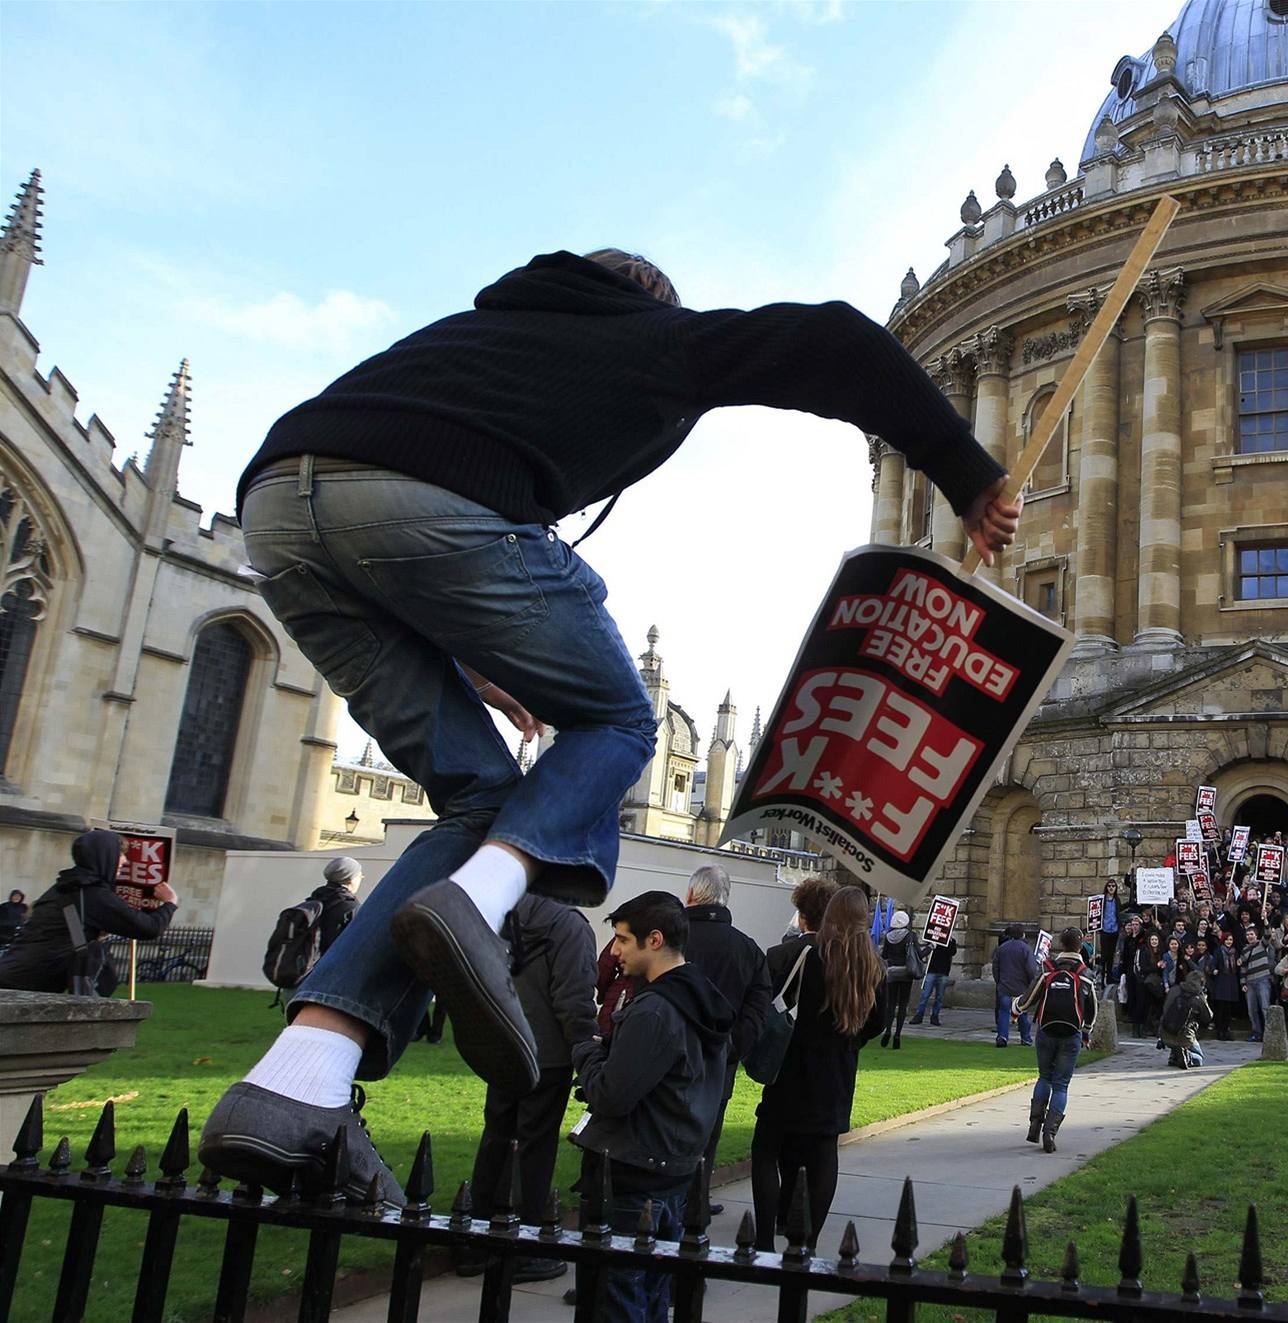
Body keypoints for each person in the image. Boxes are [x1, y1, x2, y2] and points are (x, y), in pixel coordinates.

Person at [198, 247, 1019, 1201]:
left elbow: (365, 497)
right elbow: (836, 338)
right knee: (622, 721)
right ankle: (476, 903)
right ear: (648, 301)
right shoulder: (650, 336)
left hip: (277, 509)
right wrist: (965, 472)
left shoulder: (478, 331)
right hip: (431, 505)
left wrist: (473, 660)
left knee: (481, 800)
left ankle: (299, 1076)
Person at [570, 890, 735, 1321]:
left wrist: (587, 1051)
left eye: (624, 939)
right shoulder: (700, 997)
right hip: (672, 1168)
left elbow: (611, 1094)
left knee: (617, 1300)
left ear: (655, 940)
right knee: (651, 1295)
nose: (615, 950)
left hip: (635, 1172)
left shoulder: (657, 1010)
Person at [457, 893, 598, 1283]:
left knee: (497, 1137)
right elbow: (574, 1000)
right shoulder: (568, 925)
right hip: (545, 1053)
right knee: (534, 1147)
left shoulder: (501, 912)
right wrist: (586, 1054)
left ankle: (475, 1240)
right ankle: (524, 1243)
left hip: (506, 1044)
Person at [752, 880, 887, 1246]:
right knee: (823, 1155)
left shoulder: (803, 957)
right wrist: (849, 1039)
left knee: (766, 1149)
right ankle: (807, 1244)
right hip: (836, 1072)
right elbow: (877, 1022)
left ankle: (764, 1240)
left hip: (790, 1068)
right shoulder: (871, 967)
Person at [679, 865, 770, 1216]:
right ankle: (696, 1202)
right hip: (719, 1060)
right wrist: (733, 1047)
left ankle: (671, 1203)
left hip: (670, 1054)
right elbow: (758, 1009)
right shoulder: (746, 949)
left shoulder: (670, 938)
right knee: (707, 1135)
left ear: (691, 895)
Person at [0, 830, 180, 996]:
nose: (125, 861)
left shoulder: (66, 886)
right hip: (23, 986)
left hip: (16, 976)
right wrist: (170, 903)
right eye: (120, 854)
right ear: (104, 856)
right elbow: (148, 928)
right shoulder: (93, 894)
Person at [1014, 928, 1097, 1152]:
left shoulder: (1048, 968)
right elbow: (1092, 1010)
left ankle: (1034, 1125)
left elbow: (1028, 998)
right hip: (1071, 1034)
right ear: (1080, 946)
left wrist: (1016, 1009)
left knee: (1044, 1077)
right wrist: (1086, 1032)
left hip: (1046, 1031)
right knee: (1061, 1085)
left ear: (1061, 944)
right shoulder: (1086, 974)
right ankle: (1049, 1133)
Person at [877, 908, 922, 1049]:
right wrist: (931, 947)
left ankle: (888, 1030)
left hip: (892, 972)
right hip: (906, 972)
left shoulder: (888, 936)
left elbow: (884, 956)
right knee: (903, 1004)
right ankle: (897, 1035)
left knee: (891, 1004)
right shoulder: (911, 936)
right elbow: (919, 954)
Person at [1160, 962, 1212, 1069]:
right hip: (1184, 1037)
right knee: (1199, 1058)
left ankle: (1174, 1056)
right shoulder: (1198, 997)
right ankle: (1187, 1056)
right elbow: (1208, 1017)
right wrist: (1204, 1000)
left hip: (1165, 1033)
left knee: (1177, 1037)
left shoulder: (1174, 989)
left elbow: (1165, 1010)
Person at [991, 924, 1036, 1047]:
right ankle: (1025, 1038)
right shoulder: (1026, 949)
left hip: (1004, 985)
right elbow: (1031, 969)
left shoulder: (1001, 948)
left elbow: (995, 967)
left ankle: (1002, 1036)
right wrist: (1031, 983)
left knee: (1003, 1012)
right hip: (1021, 986)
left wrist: (998, 981)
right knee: (1022, 1012)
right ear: (1023, 934)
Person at [309, 857, 363, 957]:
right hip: (333, 961)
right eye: (360, 876)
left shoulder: (316, 897)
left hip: (310, 961)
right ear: (351, 879)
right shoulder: (350, 906)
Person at [911, 918, 960, 1026]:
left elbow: (953, 952)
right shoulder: (935, 937)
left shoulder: (951, 941)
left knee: (939, 997)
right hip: (932, 970)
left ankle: (935, 1016)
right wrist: (932, 943)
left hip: (943, 971)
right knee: (925, 994)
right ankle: (919, 1015)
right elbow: (927, 948)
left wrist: (951, 940)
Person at [1239, 925, 1275, 1042]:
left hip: (1263, 979)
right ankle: (1256, 1032)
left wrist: (1265, 921)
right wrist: (1243, 983)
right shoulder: (1244, 950)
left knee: (1265, 1007)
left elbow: (1268, 934)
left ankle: (1269, 1033)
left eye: (1251, 934)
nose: (1249, 936)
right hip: (1249, 982)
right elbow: (1243, 968)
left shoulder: (1262, 944)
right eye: (1247, 934)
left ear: (1256, 935)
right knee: (1251, 1009)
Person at [1208, 928, 1243, 1041]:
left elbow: (1238, 966)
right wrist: (1214, 970)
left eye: (1231, 940)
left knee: (1228, 1009)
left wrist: (1239, 964)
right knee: (1221, 1008)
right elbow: (1213, 964)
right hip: (1221, 980)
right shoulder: (1219, 951)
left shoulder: (1235, 952)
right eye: (1227, 939)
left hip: (1231, 980)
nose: (1229, 942)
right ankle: (1219, 1031)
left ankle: (1226, 1030)